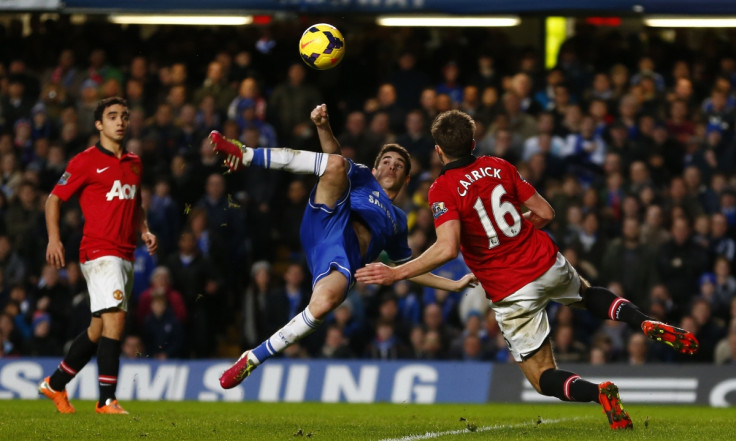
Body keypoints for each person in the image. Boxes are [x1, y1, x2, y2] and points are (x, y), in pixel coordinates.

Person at [355, 110, 700, 430]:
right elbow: (546, 213)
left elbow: (446, 248)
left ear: (438, 151)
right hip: (544, 260)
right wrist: (516, 224)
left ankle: (600, 393)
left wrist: (395, 273)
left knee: (542, 378)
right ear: (473, 143)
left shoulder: (442, 189)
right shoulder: (499, 166)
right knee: (586, 293)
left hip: (510, 290)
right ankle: (641, 321)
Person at [209, 104, 477, 389]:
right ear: (375, 168)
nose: (391, 166)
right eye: (386, 161)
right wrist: (323, 127)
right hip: (328, 217)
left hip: (343, 256)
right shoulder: (362, 176)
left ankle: (252, 358)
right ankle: (245, 153)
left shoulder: (399, 221)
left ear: (407, 179)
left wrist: (454, 285)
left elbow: (408, 267)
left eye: (399, 166)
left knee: (322, 305)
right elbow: (332, 155)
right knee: (337, 163)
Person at [38, 97, 158, 415]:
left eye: (124, 116)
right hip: (98, 251)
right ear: (98, 124)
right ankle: (106, 400)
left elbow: (137, 202)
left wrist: (144, 229)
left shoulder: (134, 162)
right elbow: (53, 199)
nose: (120, 121)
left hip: (125, 252)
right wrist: (54, 239)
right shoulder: (85, 161)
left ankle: (55, 383)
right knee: (116, 318)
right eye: (112, 116)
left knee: (98, 329)